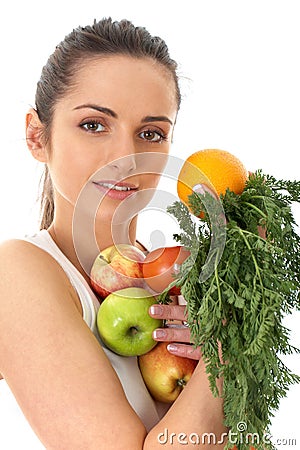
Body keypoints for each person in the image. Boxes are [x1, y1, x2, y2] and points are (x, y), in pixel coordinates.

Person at [0, 18, 226, 449]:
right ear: (36, 136)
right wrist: (227, 357)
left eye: (150, 133)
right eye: (93, 125)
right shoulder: (17, 272)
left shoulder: (177, 279)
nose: (126, 156)